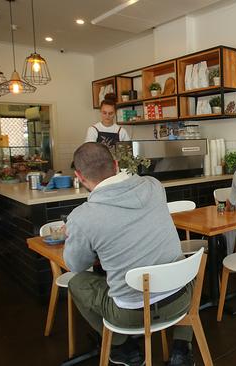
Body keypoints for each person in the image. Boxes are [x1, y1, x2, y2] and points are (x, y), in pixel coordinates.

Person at [64, 142, 194, 366]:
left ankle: (123, 347)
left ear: (79, 176)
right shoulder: (154, 186)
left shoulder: (82, 217)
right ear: (115, 165)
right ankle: (182, 349)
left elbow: (76, 265)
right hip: (180, 301)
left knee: (78, 283)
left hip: (130, 315)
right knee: (187, 268)